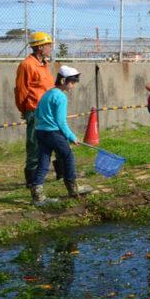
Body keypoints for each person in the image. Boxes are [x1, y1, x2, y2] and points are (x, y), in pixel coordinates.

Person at [32, 66, 92, 205]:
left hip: (40, 132)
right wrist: (71, 137)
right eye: (72, 82)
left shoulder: (47, 94)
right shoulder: (61, 97)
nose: (73, 85)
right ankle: (73, 188)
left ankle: (37, 196)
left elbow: (37, 113)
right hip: (53, 133)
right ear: (64, 80)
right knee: (68, 156)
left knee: (44, 162)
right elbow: (61, 121)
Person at [15, 32, 56, 192]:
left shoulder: (44, 64)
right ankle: (31, 181)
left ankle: (62, 174)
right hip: (35, 111)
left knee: (57, 142)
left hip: (48, 111)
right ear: (40, 47)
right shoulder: (27, 65)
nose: (50, 48)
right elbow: (21, 91)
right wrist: (24, 110)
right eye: (48, 45)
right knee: (34, 146)